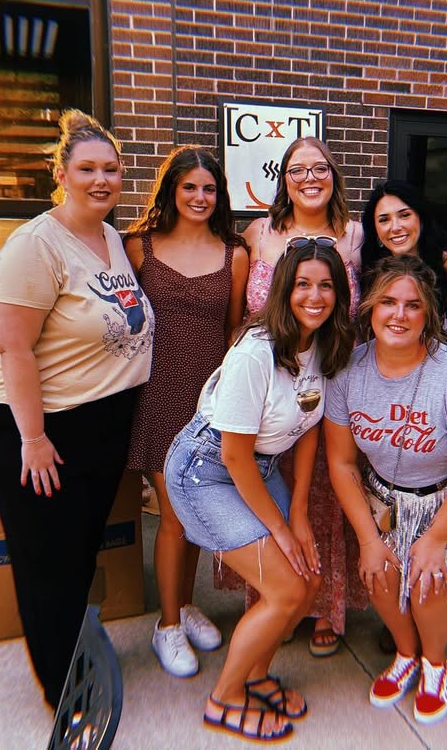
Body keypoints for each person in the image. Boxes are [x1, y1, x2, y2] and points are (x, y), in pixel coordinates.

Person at [0, 109, 153, 709]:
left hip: (98, 417)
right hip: (33, 420)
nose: (102, 179)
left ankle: (74, 649)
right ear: (62, 174)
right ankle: (64, 690)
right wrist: (32, 437)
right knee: (47, 558)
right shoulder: (35, 245)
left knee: (78, 550)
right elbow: (12, 346)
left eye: (111, 169)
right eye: (88, 168)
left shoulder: (111, 239)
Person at [165, 241, 354, 742]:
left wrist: (299, 513)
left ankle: (256, 675)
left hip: (261, 464)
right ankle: (224, 699)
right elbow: (233, 455)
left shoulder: (322, 343)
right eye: (303, 284)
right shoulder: (256, 352)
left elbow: (309, 423)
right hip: (207, 470)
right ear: (284, 289)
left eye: (326, 286)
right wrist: (281, 529)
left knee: (306, 579)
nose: (315, 296)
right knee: (287, 586)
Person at [324, 255, 447, 725]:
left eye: (413, 305)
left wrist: (436, 538)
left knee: (427, 583)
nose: (399, 315)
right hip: (386, 492)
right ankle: (406, 654)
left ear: (430, 314)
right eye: (388, 302)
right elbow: (341, 462)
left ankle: (435, 665)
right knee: (380, 575)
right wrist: (369, 540)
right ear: (369, 308)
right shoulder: (347, 371)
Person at [234, 135, 365, 657]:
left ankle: (326, 604)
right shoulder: (258, 232)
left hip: (330, 376)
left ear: (334, 175)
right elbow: (232, 310)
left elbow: (405, 266)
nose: (310, 178)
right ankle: (278, 599)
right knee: (271, 490)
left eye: (320, 168)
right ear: (283, 180)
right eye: (298, 170)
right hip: (266, 382)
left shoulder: (356, 233)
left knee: (325, 495)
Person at [123, 145, 249, 677]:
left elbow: (233, 328)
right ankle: (168, 624)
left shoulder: (235, 254)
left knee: (196, 509)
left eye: (209, 188)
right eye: (189, 187)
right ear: (171, 190)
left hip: (209, 401)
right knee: (174, 514)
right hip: (157, 395)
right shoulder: (138, 247)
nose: (200, 197)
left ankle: (185, 603)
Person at [360, 180, 447, 359]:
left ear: (421, 218)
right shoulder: (370, 270)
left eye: (404, 215)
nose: (395, 227)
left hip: (439, 373)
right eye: (384, 220)